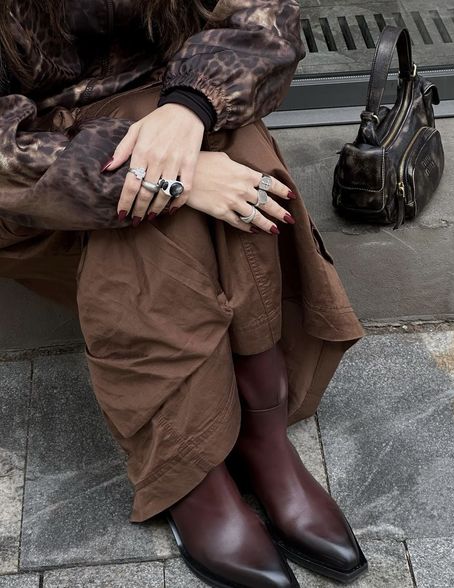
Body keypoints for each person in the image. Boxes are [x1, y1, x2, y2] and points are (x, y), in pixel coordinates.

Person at [0, 1, 368, 586]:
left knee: (231, 141)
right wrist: (170, 174)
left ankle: (258, 436)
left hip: (167, 111)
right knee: (149, 216)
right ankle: (190, 465)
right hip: (34, 188)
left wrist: (188, 110)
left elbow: (264, 17)